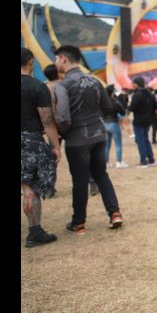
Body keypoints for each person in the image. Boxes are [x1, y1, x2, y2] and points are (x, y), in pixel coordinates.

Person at [53, 45, 124, 233]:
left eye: (56, 59)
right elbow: (108, 107)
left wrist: (64, 133)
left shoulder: (63, 85)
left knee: (80, 180)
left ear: (63, 59)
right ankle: (115, 213)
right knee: (101, 174)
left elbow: (62, 117)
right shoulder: (94, 81)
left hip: (77, 139)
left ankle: (78, 222)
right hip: (98, 134)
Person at [21, 48, 60, 247]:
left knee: (25, 186)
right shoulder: (37, 86)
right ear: (30, 62)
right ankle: (34, 231)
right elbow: (47, 121)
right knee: (31, 187)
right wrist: (55, 146)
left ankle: (34, 231)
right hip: (31, 140)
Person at [128, 76, 157, 168]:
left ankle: (143, 161)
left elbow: (132, 108)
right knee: (146, 139)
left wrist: (129, 105)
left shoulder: (137, 95)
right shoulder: (150, 94)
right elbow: (155, 107)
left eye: (133, 84)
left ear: (136, 84)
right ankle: (151, 159)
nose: (132, 85)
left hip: (139, 120)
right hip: (148, 120)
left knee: (140, 140)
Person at [104, 84, 129, 168]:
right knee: (118, 144)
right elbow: (122, 112)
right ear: (112, 92)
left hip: (105, 124)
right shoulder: (115, 102)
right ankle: (119, 162)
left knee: (107, 145)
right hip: (113, 123)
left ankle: (106, 163)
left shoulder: (102, 102)